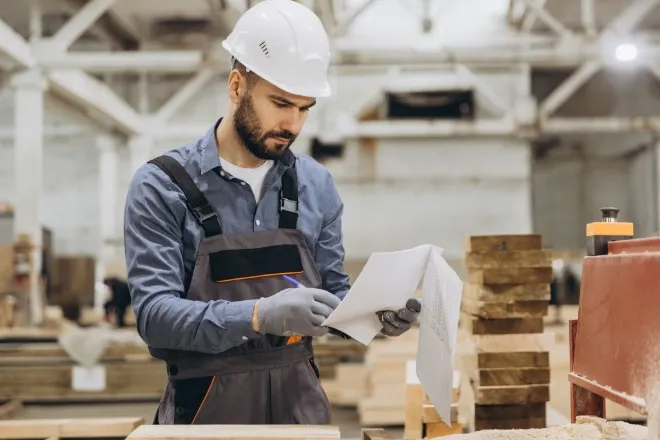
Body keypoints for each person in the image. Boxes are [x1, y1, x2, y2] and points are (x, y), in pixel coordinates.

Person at [123, 0, 421, 426]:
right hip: (207, 412)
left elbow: (333, 296)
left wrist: (373, 317)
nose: (294, 125)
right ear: (236, 86)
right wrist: (258, 316)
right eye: (280, 103)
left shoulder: (316, 186)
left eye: (304, 109)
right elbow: (155, 317)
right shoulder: (162, 186)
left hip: (300, 407)